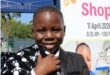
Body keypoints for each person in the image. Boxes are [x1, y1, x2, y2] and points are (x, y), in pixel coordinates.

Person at [2, 6, 89, 75]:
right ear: (33, 32)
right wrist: (36, 73)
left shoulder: (78, 61)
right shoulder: (18, 60)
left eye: (55, 30)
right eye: (42, 30)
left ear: (64, 31)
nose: (49, 36)